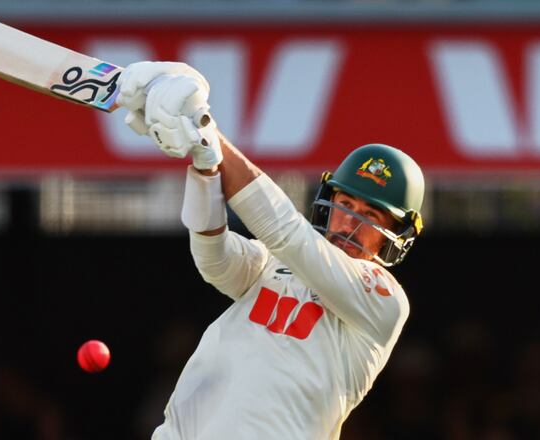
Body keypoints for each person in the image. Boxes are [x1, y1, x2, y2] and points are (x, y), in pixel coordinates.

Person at [117, 62, 426, 439]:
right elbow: (214, 258)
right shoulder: (275, 262)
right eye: (345, 205)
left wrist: (204, 129)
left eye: (370, 216)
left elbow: (285, 231)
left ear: (394, 236)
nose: (350, 223)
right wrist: (204, 168)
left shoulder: (383, 299)